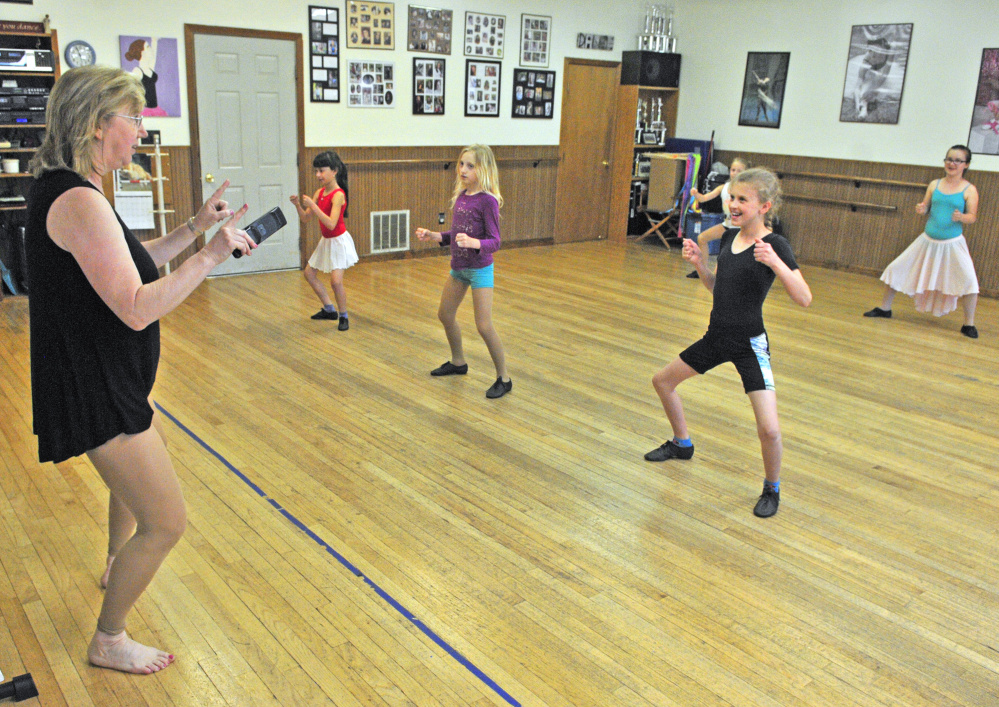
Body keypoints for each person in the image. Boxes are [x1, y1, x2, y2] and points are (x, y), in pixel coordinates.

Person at [24, 66, 254, 674]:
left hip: (103, 376)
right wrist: (210, 255)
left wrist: (193, 229)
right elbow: (133, 305)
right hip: (95, 382)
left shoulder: (72, 187)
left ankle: (111, 563)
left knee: (137, 486)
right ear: (100, 125)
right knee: (166, 521)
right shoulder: (78, 198)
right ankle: (110, 638)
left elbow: (128, 263)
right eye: (133, 118)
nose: (141, 130)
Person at [645, 168, 812, 518]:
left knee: (769, 429)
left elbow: (805, 298)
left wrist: (776, 263)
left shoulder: (775, 245)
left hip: (750, 344)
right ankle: (682, 443)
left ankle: (772, 487)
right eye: (731, 198)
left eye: (741, 199)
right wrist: (701, 265)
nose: (733, 205)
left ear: (764, 206)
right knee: (662, 381)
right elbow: (718, 290)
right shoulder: (728, 238)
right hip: (716, 337)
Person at [415, 144, 512, 399]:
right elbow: (456, 233)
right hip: (458, 268)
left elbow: (495, 241)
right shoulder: (461, 197)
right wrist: (435, 235)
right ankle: (458, 362)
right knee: (445, 315)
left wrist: (475, 243)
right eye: (461, 164)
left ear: (484, 169)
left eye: (470, 165)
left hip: (480, 269)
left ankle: (504, 377)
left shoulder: (488, 201)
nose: (463, 170)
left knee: (483, 325)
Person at [863, 145, 980, 338]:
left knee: (969, 281)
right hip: (927, 240)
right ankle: (885, 308)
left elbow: (973, 217)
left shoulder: (970, 190)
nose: (951, 163)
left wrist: (962, 217)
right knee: (896, 268)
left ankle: (969, 324)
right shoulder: (935, 184)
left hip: (952, 244)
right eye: (949, 159)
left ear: (965, 165)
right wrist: (922, 209)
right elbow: (927, 207)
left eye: (957, 160)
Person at [290, 150, 358, 330]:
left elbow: (330, 223)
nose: (318, 175)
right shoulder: (319, 192)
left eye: (322, 171)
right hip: (326, 241)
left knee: (336, 282)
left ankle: (343, 316)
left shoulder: (338, 195)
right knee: (309, 274)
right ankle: (329, 309)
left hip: (338, 242)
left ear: (334, 171)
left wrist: (313, 205)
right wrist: (298, 205)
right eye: (316, 171)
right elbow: (306, 218)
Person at [685, 157, 749, 278]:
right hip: (727, 225)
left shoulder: (746, 190)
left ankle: (722, 276)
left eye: (739, 171)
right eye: (733, 169)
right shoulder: (723, 187)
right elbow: (704, 198)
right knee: (702, 238)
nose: (735, 173)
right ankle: (702, 270)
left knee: (725, 254)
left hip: (739, 228)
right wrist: (696, 194)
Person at [124, 38, 165, 117]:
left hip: (155, 108)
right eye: (148, 47)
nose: (151, 50)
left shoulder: (150, 68)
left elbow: (154, 55)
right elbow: (131, 92)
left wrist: (154, 41)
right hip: (144, 109)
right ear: (141, 52)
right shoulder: (137, 71)